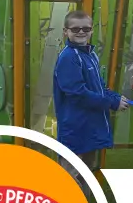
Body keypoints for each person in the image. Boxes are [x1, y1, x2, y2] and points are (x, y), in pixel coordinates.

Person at [53, 11, 128, 172]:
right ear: (65, 31)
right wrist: (112, 102)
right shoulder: (68, 57)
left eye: (86, 29)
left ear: (92, 30)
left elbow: (99, 87)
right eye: (75, 29)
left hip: (91, 126)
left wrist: (115, 97)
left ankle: (84, 198)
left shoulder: (91, 54)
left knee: (87, 172)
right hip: (75, 127)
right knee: (70, 175)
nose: (81, 32)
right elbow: (77, 93)